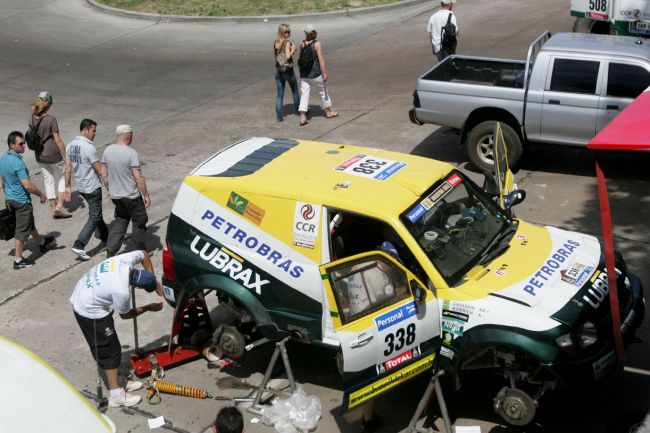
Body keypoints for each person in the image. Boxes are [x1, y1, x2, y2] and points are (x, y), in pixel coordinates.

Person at [69, 250, 163, 408]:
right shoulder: (121, 291)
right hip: (89, 310)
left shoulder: (124, 261)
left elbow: (144, 254)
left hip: (84, 290)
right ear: (136, 286)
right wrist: (147, 308)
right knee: (110, 351)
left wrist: (153, 279)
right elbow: (125, 315)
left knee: (112, 347)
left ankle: (121, 382)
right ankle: (116, 395)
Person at [0, 131, 55, 269]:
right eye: (21, 143)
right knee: (21, 230)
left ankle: (41, 242)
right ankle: (18, 261)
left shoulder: (3, 158)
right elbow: (27, 184)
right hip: (21, 202)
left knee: (29, 223)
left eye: (24, 142)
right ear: (12, 145)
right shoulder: (17, 162)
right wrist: (41, 194)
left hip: (10, 200)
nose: (24, 145)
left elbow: (1, 181)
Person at [64, 119, 109, 261]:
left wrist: (67, 186)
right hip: (92, 187)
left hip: (82, 187)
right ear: (85, 130)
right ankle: (79, 244)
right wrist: (109, 187)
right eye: (93, 131)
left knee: (97, 214)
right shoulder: (89, 148)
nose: (94, 134)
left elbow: (67, 168)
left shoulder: (70, 146)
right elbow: (100, 170)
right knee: (94, 216)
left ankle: (106, 238)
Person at [102, 125, 150, 257]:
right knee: (139, 221)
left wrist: (109, 190)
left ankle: (110, 252)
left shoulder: (108, 151)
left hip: (117, 196)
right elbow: (138, 177)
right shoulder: (131, 153)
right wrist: (146, 195)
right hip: (132, 196)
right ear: (128, 135)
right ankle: (141, 252)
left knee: (120, 222)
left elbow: (104, 174)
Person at [29, 91, 72, 218]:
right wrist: (66, 156)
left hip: (39, 155)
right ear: (48, 103)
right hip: (53, 155)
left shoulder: (31, 117)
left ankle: (53, 207)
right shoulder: (51, 120)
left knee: (48, 179)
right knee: (62, 177)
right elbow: (57, 140)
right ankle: (60, 206)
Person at [298, 24, 338, 126]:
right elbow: (321, 60)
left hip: (304, 74)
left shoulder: (301, 43)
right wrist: (324, 73)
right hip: (315, 74)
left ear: (305, 33)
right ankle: (328, 112)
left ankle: (303, 117)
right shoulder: (317, 44)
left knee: (304, 95)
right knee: (323, 92)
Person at [273, 23, 301, 122]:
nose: (289, 33)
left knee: (280, 94)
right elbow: (288, 56)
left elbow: (276, 56)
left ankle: (279, 116)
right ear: (282, 32)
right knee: (295, 90)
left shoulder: (276, 42)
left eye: (289, 31)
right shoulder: (287, 42)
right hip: (287, 70)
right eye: (286, 32)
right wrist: (293, 49)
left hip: (278, 69)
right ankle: (298, 110)